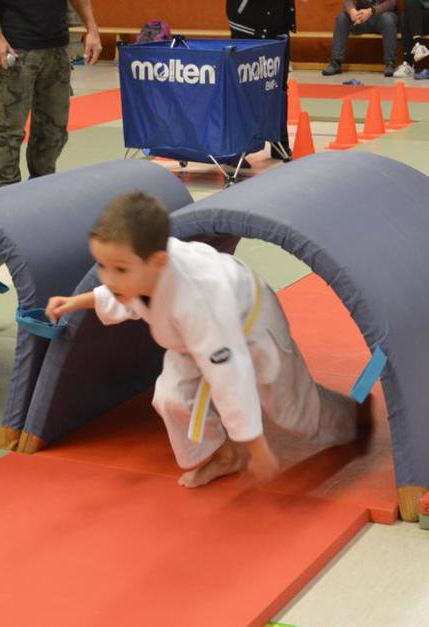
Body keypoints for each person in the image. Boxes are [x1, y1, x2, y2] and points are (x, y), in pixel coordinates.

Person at [45, 192, 369, 489]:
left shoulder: (197, 296)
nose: (108, 277)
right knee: (171, 398)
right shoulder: (142, 266)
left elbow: (229, 374)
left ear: (158, 262)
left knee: (291, 410)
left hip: (249, 319)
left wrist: (257, 445)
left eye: (118, 269)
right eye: (102, 266)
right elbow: (122, 291)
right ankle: (226, 456)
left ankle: (353, 419)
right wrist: (76, 302)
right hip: (192, 333)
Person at [0, 0, 102, 188]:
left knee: (54, 129)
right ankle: (6, 192)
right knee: (11, 129)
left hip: (56, 47)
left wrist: (92, 29)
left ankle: (41, 186)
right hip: (16, 46)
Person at [226, 0, 296, 162]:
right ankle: (236, 150)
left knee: (278, 87)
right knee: (245, 90)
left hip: (278, 29)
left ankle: (279, 141)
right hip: (249, 28)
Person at [323, 0, 398, 78]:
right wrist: (352, 11)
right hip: (361, 19)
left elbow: (391, 3)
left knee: (388, 18)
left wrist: (371, 11)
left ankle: (390, 64)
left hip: (381, 18)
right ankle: (335, 63)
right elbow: (348, 1)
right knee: (342, 17)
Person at [394, 0, 429, 78]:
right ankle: (419, 45)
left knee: (407, 14)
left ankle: (408, 63)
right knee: (405, 16)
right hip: (419, 17)